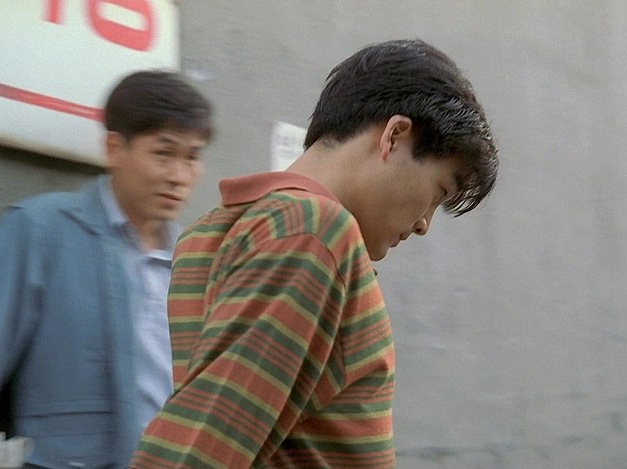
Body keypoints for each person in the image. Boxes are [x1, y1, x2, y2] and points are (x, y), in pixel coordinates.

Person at [128, 39, 498, 468]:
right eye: (438, 192)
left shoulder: (207, 234)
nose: (423, 224)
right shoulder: (312, 232)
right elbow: (198, 446)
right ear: (394, 137)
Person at [0, 70, 213, 469]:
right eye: (163, 153)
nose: (179, 176)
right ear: (115, 148)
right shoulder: (41, 231)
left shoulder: (197, 262)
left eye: (192, 157)